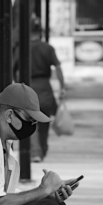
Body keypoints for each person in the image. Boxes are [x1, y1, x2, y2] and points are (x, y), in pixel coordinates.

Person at [30, 19, 66, 163]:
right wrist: (62, 87)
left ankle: (36, 152)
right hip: (45, 87)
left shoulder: (22, 48)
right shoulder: (48, 48)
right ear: (40, 33)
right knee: (44, 120)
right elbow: (58, 68)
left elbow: (13, 68)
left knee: (30, 122)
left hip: (29, 86)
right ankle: (43, 149)